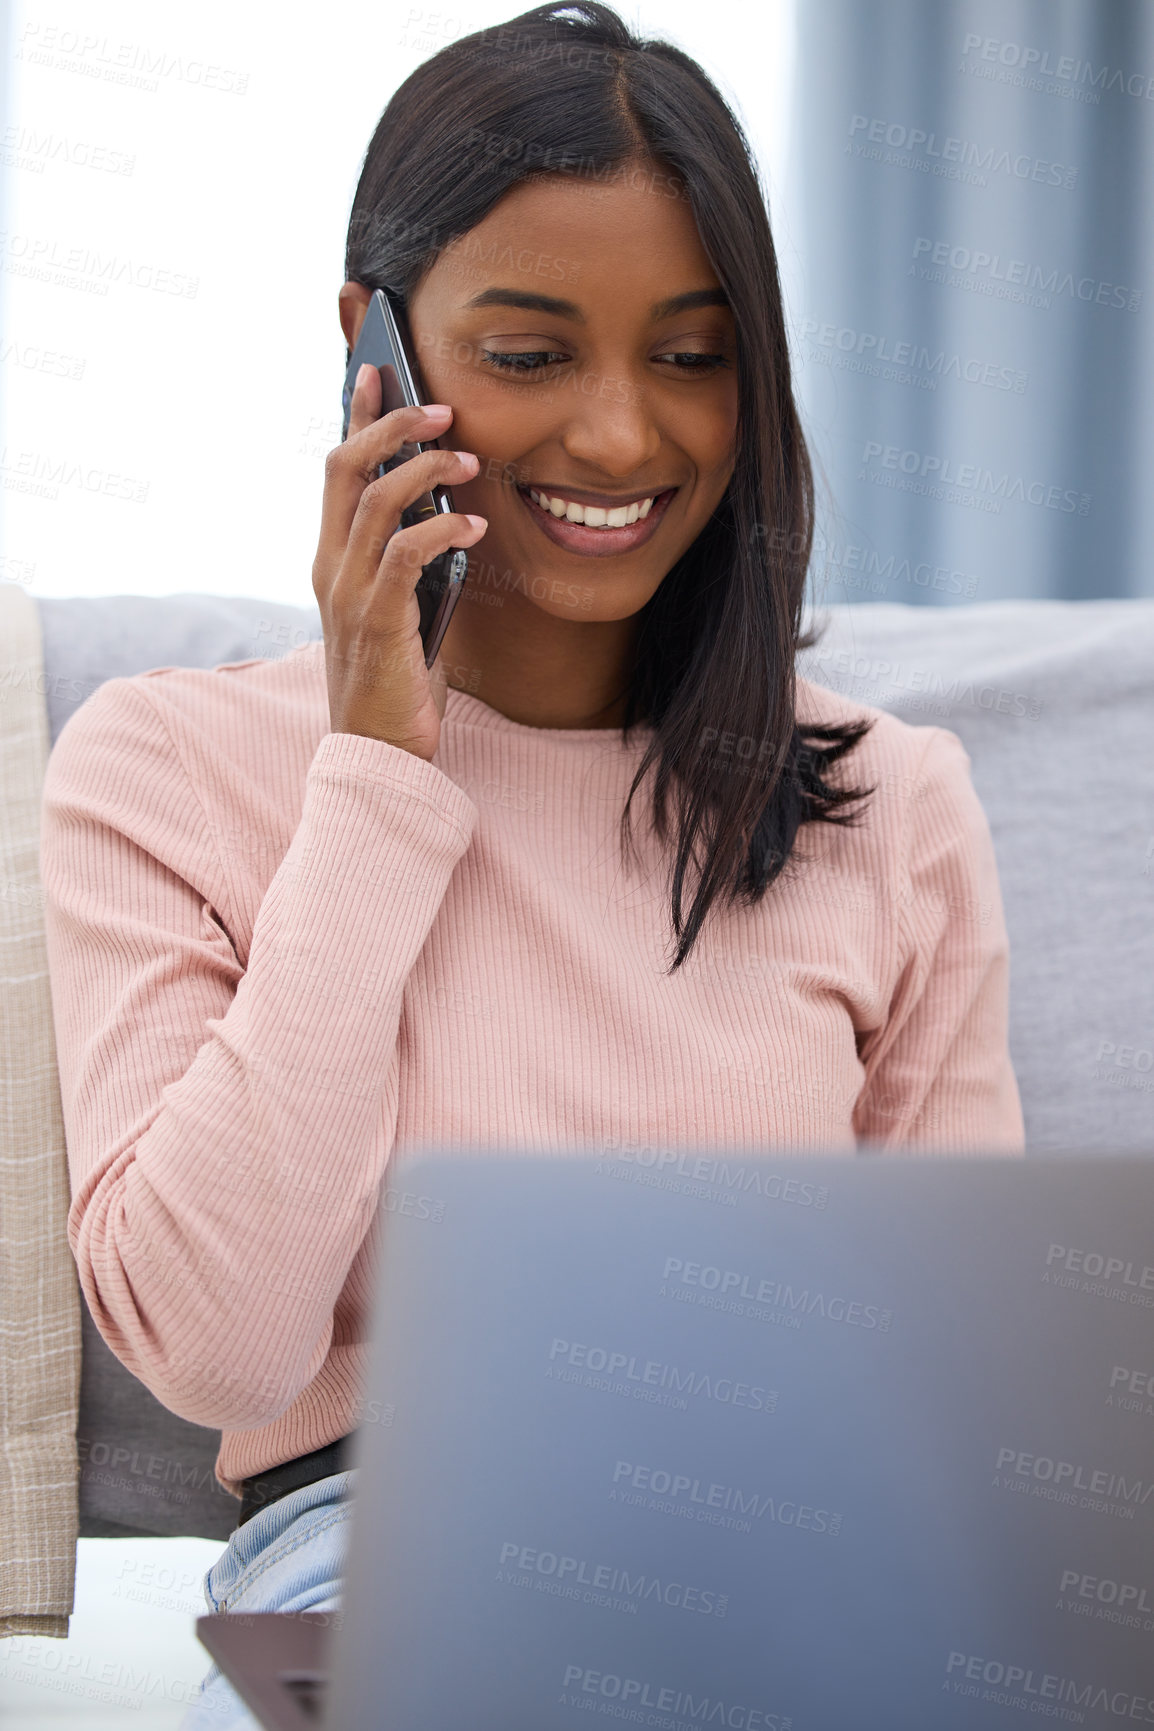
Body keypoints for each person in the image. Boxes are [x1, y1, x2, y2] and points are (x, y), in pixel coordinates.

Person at [38, 4, 1024, 1725]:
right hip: (372, 1556)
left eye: (695, 355)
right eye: (531, 351)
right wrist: (372, 779)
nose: (624, 440)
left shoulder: (891, 803)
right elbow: (216, 1345)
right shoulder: (163, 767)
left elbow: (966, 1392)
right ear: (376, 347)